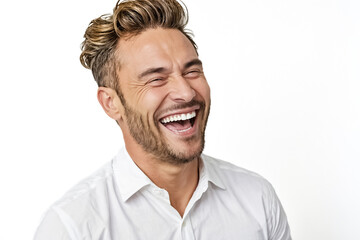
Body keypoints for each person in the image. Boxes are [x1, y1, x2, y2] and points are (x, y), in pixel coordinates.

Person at [34, 0, 291, 239]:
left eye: (191, 71)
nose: (186, 92)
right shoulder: (72, 226)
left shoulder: (257, 199)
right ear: (111, 103)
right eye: (156, 78)